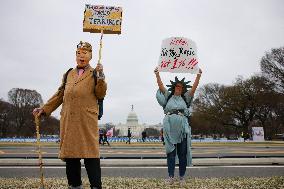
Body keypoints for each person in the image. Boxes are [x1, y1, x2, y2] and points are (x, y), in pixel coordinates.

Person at [32, 41, 107, 189]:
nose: (81, 56)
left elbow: (100, 93)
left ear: (91, 56)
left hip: (86, 120)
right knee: (72, 156)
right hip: (69, 121)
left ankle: (96, 186)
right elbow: (60, 94)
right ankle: (74, 185)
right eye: (78, 53)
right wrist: (45, 109)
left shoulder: (95, 73)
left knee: (90, 156)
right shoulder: (69, 74)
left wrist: (101, 77)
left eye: (84, 53)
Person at [154, 67, 202, 185]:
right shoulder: (168, 96)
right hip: (170, 128)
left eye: (180, 87)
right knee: (170, 153)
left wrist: (198, 76)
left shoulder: (185, 98)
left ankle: (181, 177)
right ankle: (170, 177)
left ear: (182, 89)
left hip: (182, 129)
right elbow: (161, 86)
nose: (178, 88)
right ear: (174, 87)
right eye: (177, 86)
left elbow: (194, 88)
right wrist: (157, 74)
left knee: (182, 154)